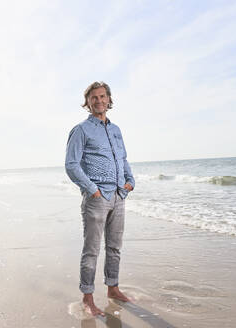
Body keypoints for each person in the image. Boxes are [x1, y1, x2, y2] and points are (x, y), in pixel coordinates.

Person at [65, 81, 135, 316]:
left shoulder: (116, 130)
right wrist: (92, 189)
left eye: (102, 96)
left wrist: (130, 181)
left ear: (109, 99)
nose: (99, 100)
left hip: (119, 195)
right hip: (97, 198)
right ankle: (87, 299)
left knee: (114, 247)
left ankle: (113, 289)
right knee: (92, 250)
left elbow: (123, 158)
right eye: (93, 97)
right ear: (87, 102)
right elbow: (72, 165)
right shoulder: (81, 130)